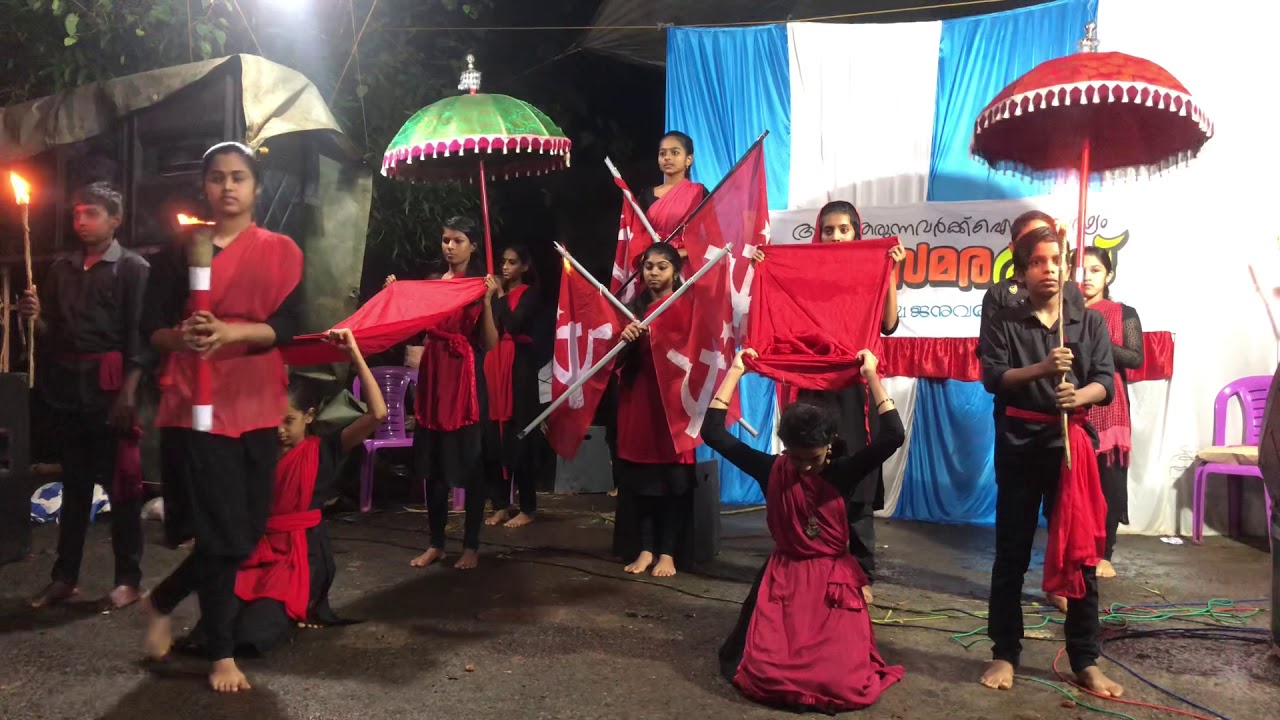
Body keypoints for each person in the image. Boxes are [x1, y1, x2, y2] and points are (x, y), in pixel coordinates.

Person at [140, 141, 305, 693]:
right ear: (204, 187)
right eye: (216, 177)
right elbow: (152, 330)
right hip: (197, 404)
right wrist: (182, 337)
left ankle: (163, 599)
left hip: (256, 400)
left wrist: (233, 332)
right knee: (219, 532)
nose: (227, 187)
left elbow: (287, 325)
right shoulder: (180, 251)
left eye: (238, 177)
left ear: (256, 187)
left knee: (245, 531)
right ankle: (221, 653)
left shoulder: (281, 251)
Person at [705, 347, 905, 713]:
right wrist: (735, 370)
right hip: (783, 575)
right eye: (795, 456)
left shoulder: (843, 472)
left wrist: (872, 377)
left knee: (839, 681)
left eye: (812, 459)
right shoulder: (774, 469)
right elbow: (713, 434)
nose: (803, 468)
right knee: (767, 673)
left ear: (829, 447)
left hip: (832, 582)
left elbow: (893, 436)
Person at [977, 225, 1122, 697]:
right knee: (1011, 553)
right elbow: (994, 378)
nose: (1050, 270)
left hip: (1070, 451)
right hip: (1019, 445)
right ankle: (1004, 652)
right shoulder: (1005, 320)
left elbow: (1106, 380)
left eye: (1057, 261)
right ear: (1021, 273)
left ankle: (1084, 658)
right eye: (1038, 262)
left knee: (1081, 556)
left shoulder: (1089, 322)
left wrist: (1078, 393)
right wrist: (1042, 369)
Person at [181, 329, 386, 656]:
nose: (279, 429)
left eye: (288, 420)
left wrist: (354, 353)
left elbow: (377, 414)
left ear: (309, 416)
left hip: (299, 557)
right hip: (255, 551)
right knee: (208, 630)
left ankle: (293, 612)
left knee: (253, 633)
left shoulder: (324, 451)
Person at [22, 181, 150, 610]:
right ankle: (65, 576)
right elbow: (53, 335)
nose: (81, 222)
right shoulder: (61, 269)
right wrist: (35, 318)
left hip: (111, 389)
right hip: (69, 389)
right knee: (74, 486)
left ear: (116, 219)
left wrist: (128, 393)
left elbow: (140, 337)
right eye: (77, 214)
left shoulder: (133, 268)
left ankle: (129, 579)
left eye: (91, 214)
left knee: (123, 489)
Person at [783, 200, 905, 604]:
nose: (836, 237)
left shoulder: (871, 269)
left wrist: (890, 272)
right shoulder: (805, 273)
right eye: (828, 230)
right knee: (811, 472)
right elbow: (784, 315)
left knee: (855, 474)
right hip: (813, 384)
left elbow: (887, 324)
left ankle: (862, 572)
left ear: (857, 232)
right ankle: (809, 561)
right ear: (818, 234)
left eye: (844, 229)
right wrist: (766, 265)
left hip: (853, 387)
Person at [978, 210, 1086, 613]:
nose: (1046, 266)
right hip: (1017, 424)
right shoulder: (999, 299)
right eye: (1034, 253)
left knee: (1062, 513)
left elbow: (1094, 368)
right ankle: (1006, 632)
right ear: (1017, 255)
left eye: (1052, 253)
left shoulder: (1068, 294)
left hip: (1062, 430)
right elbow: (994, 369)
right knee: (1015, 523)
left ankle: (1056, 580)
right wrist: (1037, 368)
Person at [397, 217, 499, 571]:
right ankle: (436, 543)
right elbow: (412, 322)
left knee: (471, 464)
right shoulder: (432, 284)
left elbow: (489, 342)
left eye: (457, 241)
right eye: (445, 240)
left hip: (464, 378)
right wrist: (396, 293)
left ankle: (471, 545)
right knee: (433, 466)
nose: (449, 247)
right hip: (434, 374)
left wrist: (486, 302)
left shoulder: (480, 285)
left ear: (472, 245)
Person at [614, 244, 696, 578]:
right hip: (639, 402)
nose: (653, 273)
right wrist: (625, 338)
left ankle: (668, 552)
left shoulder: (687, 304)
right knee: (642, 481)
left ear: (675, 271)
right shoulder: (632, 309)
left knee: (673, 482)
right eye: (648, 266)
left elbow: (696, 348)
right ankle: (646, 549)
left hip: (674, 404)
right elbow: (613, 361)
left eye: (662, 267)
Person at [1078, 247, 1143, 578]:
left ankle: (1105, 553)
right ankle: (1076, 551)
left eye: (1095, 270)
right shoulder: (1064, 312)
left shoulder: (1123, 312)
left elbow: (1134, 357)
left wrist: (1097, 337)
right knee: (1072, 487)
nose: (1087, 277)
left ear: (1109, 276)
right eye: (1082, 270)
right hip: (1073, 406)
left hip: (1110, 412)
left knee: (1109, 488)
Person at [482, 245, 545, 528]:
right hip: (494, 363)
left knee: (519, 435)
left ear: (524, 266)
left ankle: (528, 506)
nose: (505, 267)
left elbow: (515, 325)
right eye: (503, 262)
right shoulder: (496, 295)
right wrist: (488, 300)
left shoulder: (531, 294)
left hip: (519, 367)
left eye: (512, 262)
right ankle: (500, 503)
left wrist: (498, 297)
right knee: (493, 436)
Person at [637, 131, 708, 256]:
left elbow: (713, 235)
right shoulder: (646, 196)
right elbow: (636, 235)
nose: (667, 157)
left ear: (689, 159)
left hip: (688, 266)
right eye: (662, 153)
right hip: (653, 266)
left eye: (675, 153)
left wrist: (680, 254)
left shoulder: (699, 193)